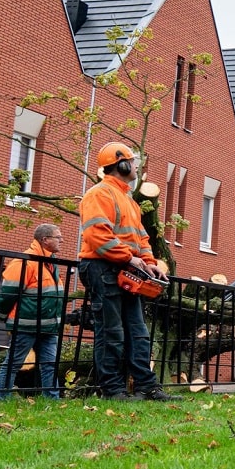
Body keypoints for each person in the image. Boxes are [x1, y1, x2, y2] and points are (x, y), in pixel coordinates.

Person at [77, 142, 180, 402]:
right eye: (133, 162)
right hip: (102, 267)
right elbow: (97, 234)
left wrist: (149, 261)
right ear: (121, 164)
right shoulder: (99, 194)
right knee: (111, 331)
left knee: (137, 332)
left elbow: (141, 238)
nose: (136, 166)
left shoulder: (129, 201)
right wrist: (130, 258)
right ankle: (112, 390)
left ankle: (147, 386)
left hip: (124, 268)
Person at [0, 224, 66, 400]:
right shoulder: (23, 263)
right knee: (14, 363)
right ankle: (2, 399)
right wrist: (2, 316)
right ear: (45, 239)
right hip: (26, 325)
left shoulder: (50, 263)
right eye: (58, 237)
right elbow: (7, 294)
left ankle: (52, 399)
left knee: (49, 364)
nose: (62, 240)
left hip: (48, 327)